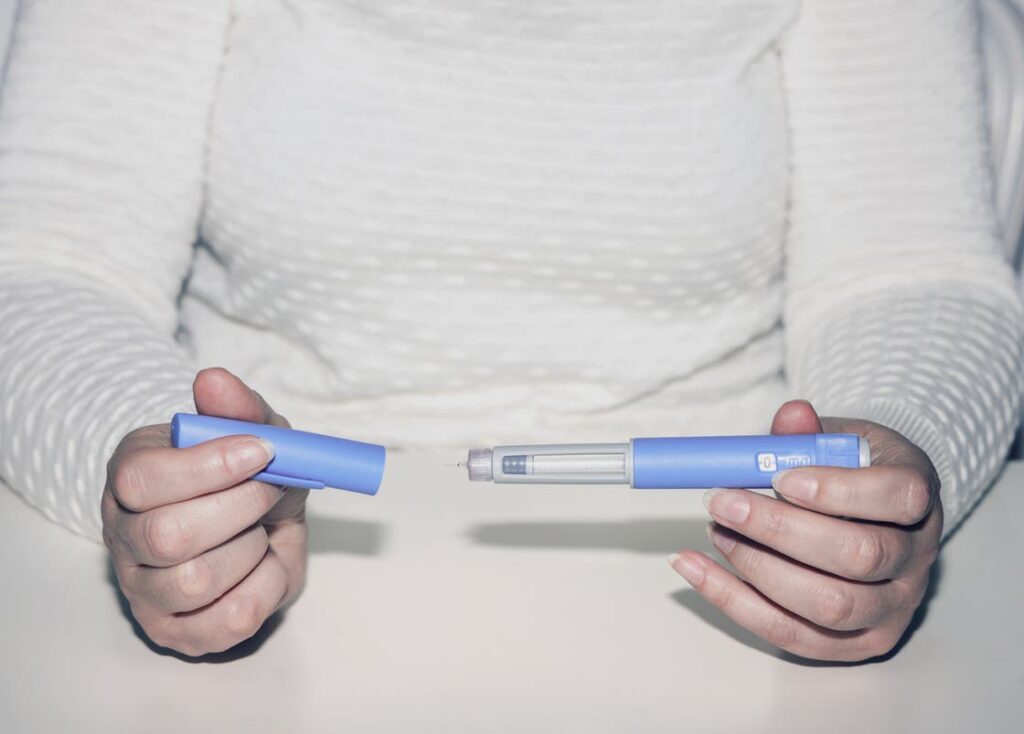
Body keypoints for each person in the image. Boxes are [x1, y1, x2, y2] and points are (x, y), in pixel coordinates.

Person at [0, 0, 1020, 662]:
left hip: (734, 564)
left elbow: (912, 267)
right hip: (282, 567)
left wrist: (882, 475)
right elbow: (49, 263)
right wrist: (162, 476)